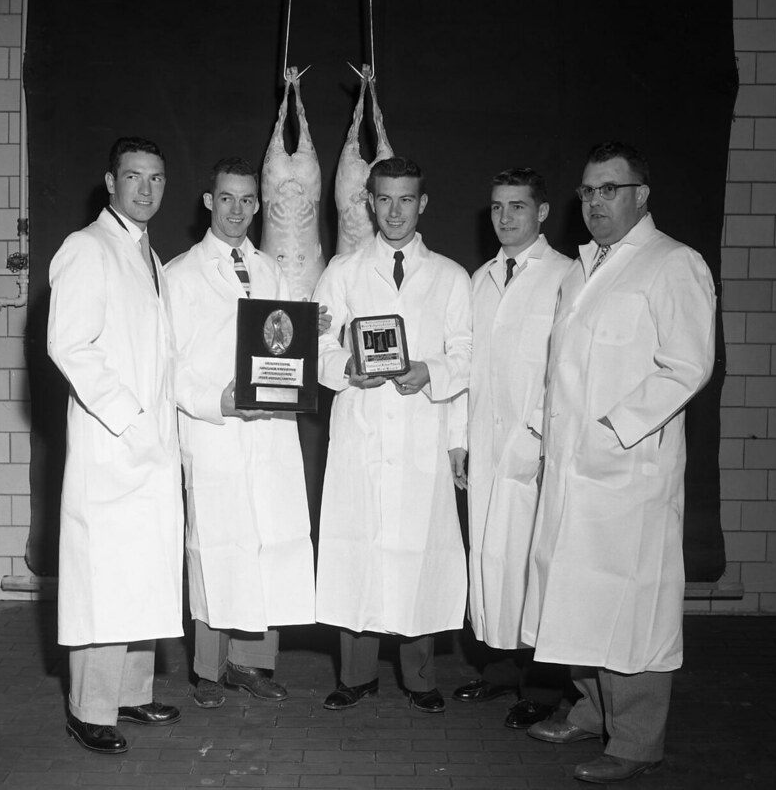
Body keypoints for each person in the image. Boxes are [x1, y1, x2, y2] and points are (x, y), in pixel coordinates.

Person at [521, 142, 716, 783]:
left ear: (641, 194)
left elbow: (687, 365)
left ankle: (634, 741)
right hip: (572, 468)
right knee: (573, 596)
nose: (596, 202)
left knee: (631, 607)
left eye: (610, 189)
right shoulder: (580, 270)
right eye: (588, 191)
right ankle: (588, 710)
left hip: (627, 469)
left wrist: (615, 429)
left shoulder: (673, 264)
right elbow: (563, 369)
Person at [311, 156, 472, 714]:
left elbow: (467, 354)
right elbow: (319, 347)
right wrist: (344, 371)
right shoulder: (342, 272)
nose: (395, 211)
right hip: (362, 430)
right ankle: (356, 675)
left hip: (422, 433)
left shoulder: (451, 276)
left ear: (422, 204)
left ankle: (421, 678)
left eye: (406, 199)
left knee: (418, 554)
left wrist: (431, 372)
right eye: (385, 199)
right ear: (369, 203)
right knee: (359, 550)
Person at [47, 136, 183, 754]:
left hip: (149, 447)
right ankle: (89, 708)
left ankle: (131, 692)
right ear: (110, 181)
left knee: (142, 571)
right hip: (113, 445)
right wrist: (130, 419)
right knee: (105, 578)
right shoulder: (86, 248)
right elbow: (69, 346)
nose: (146, 189)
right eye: (134, 177)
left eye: (156, 179)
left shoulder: (150, 257)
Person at [164, 156, 317, 709]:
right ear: (208, 200)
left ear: (259, 205)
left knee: (267, 543)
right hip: (216, 432)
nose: (236, 210)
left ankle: (252, 663)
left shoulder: (273, 271)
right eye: (225, 198)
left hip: (269, 433)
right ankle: (207, 670)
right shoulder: (179, 274)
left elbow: (283, 349)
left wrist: (311, 334)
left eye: (247, 200)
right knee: (216, 545)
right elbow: (171, 364)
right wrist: (216, 403)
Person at [451, 168, 575, 729]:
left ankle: (544, 686)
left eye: (518, 207)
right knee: (490, 559)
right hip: (484, 437)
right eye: (498, 207)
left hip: (533, 442)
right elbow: (464, 365)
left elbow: (563, 371)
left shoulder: (566, 277)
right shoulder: (479, 279)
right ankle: (500, 669)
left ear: (542, 212)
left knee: (531, 564)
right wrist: (459, 439)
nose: (506, 217)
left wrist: (541, 437)